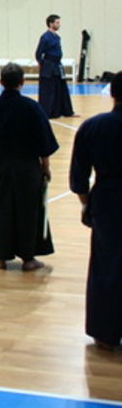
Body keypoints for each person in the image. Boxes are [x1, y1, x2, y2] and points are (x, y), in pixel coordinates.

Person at [0, 63, 58, 271]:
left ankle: (0, 256)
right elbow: (44, 142)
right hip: (26, 165)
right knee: (28, 210)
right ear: (22, 83)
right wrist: (46, 167)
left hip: (0, 164)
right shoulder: (32, 108)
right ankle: (28, 258)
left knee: (0, 208)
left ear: (0, 82)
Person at [69, 72, 122, 350]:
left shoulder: (93, 127)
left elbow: (78, 176)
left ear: (112, 93)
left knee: (105, 266)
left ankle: (104, 331)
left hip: (107, 200)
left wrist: (86, 203)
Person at [35, 14, 76, 119]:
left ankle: (65, 111)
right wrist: (43, 64)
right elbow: (38, 53)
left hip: (58, 65)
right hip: (49, 65)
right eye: (57, 22)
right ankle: (48, 112)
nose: (59, 25)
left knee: (61, 88)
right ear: (51, 24)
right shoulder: (45, 37)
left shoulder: (57, 37)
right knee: (49, 90)